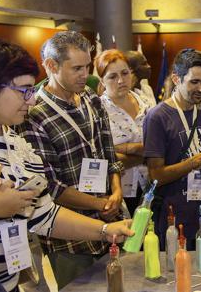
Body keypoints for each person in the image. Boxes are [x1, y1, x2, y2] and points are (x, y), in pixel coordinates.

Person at [0, 38, 133, 292]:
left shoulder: (17, 145)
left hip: (5, 282)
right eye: (24, 90)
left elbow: (45, 214)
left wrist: (105, 230)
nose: (30, 100)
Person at [20, 31, 125, 289]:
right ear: (51, 66)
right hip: (68, 236)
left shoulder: (90, 97)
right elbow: (50, 186)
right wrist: (100, 203)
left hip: (110, 221)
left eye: (87, 66)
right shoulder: (33, 114)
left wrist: (117, 189)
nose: (85, 74)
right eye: (76, 68)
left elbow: (108, 151)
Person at [143, 48, 201, 250]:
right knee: (176, 273)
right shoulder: (157, 117)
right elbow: (156, 175)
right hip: (171, 214)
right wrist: (197, 160)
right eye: (194, 82)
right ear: (176, 79)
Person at [96, 49, 153, 216]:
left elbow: (159, 143)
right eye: (112, 77)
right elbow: (101, 154)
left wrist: (122, 148)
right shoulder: (97, 110)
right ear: (102, 80)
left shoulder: (143, 101)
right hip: (118, 189)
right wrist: (137, 149)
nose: (121, 80)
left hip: (150, 183)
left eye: (125, 73)